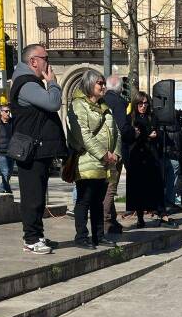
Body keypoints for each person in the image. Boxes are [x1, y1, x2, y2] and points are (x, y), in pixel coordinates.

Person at [10, 43, 68, 254]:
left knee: (38, 194)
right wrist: (53, 83)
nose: (48, 62)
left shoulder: (31, 82)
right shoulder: (27, 84)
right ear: (33, 61)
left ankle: (38, 235)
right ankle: (31, 238)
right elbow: (53, 103)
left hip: (36, 149)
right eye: (45, 58)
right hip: (30, 151)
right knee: (32, 196)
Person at [67, 69, 121, 249]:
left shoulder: (104, 105)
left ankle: (99, 235)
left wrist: (116, 154)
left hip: (105, 163)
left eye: (104, 83)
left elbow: (116, 131)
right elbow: (83, 134)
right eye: (100, 83)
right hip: (87, 161)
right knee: (85, 199)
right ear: (90, 84)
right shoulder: (78, 105)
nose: (103, 86)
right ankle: (81, 236)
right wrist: (103, 154)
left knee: (99, 200)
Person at [124, 91, 169, 228]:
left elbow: (160, 134)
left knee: (156, 186)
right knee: (138, 189)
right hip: (137, 157)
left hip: (151, 157)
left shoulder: (152, 117)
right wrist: (140, 135)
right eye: (140, 103)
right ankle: (139, 217)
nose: (143, 106)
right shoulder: (130, 118)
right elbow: (126, 137)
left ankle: (161, 213)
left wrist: (157, 135)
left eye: (145, 103)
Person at [102, 75, 132, 235]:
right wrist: (133, 131)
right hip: (115, 151)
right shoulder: (119, 102)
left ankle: (111, 219)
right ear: (120, 88)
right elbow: (122, 128)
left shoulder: (101, 100)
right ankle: (106, 221)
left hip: (101, 150)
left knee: (106, 185)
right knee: (110, 188)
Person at [0, 104, 14, 195]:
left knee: (10, 171)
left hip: (11, 150)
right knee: (5, 171)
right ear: (1, 112)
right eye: (6, 111)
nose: (8, 113)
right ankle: (7, 188)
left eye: (9, 111)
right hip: (2, 151)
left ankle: (3, 187)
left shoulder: (12, 122)